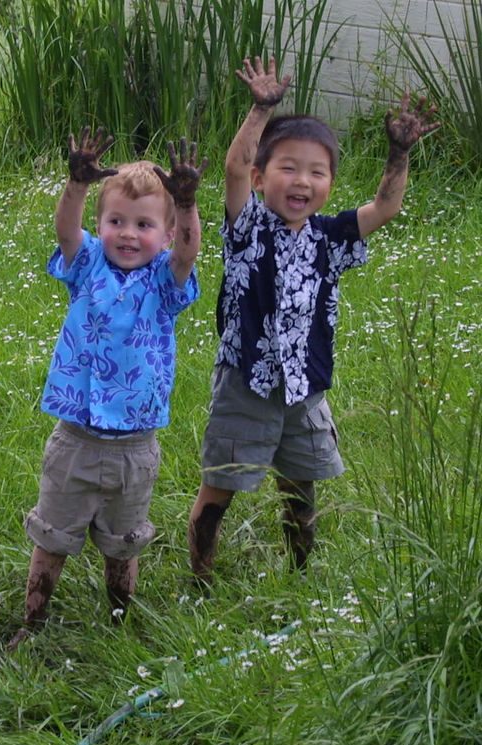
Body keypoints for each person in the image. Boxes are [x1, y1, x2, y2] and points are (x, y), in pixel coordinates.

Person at [187, 57, 439, 584]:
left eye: (316, 171)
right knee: (222, 486)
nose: (302, 180)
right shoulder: (248, 225)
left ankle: (299, 573)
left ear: (329, 182)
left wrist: (399, 153)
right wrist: (262, 109)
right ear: (261, 177)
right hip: (245, 383)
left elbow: (385, 208)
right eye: (288, 168)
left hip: (305, 388)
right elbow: (233, 168)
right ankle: (200, 579)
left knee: (302, 487)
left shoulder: (330, 236)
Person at [9, 127, 208, 649]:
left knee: (123, 544)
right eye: (116, 221)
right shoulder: (89, 264)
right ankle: (32, 623)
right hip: (75, 438)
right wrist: (76, 185)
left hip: (135, 447)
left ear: (163, 236)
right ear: (101, 225)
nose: (127, 233)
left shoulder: (165, 282)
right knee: (51, 536)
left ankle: (120, 621)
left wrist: (185, 205)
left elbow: (189, 252)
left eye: (143, 225)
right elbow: (66, 232)